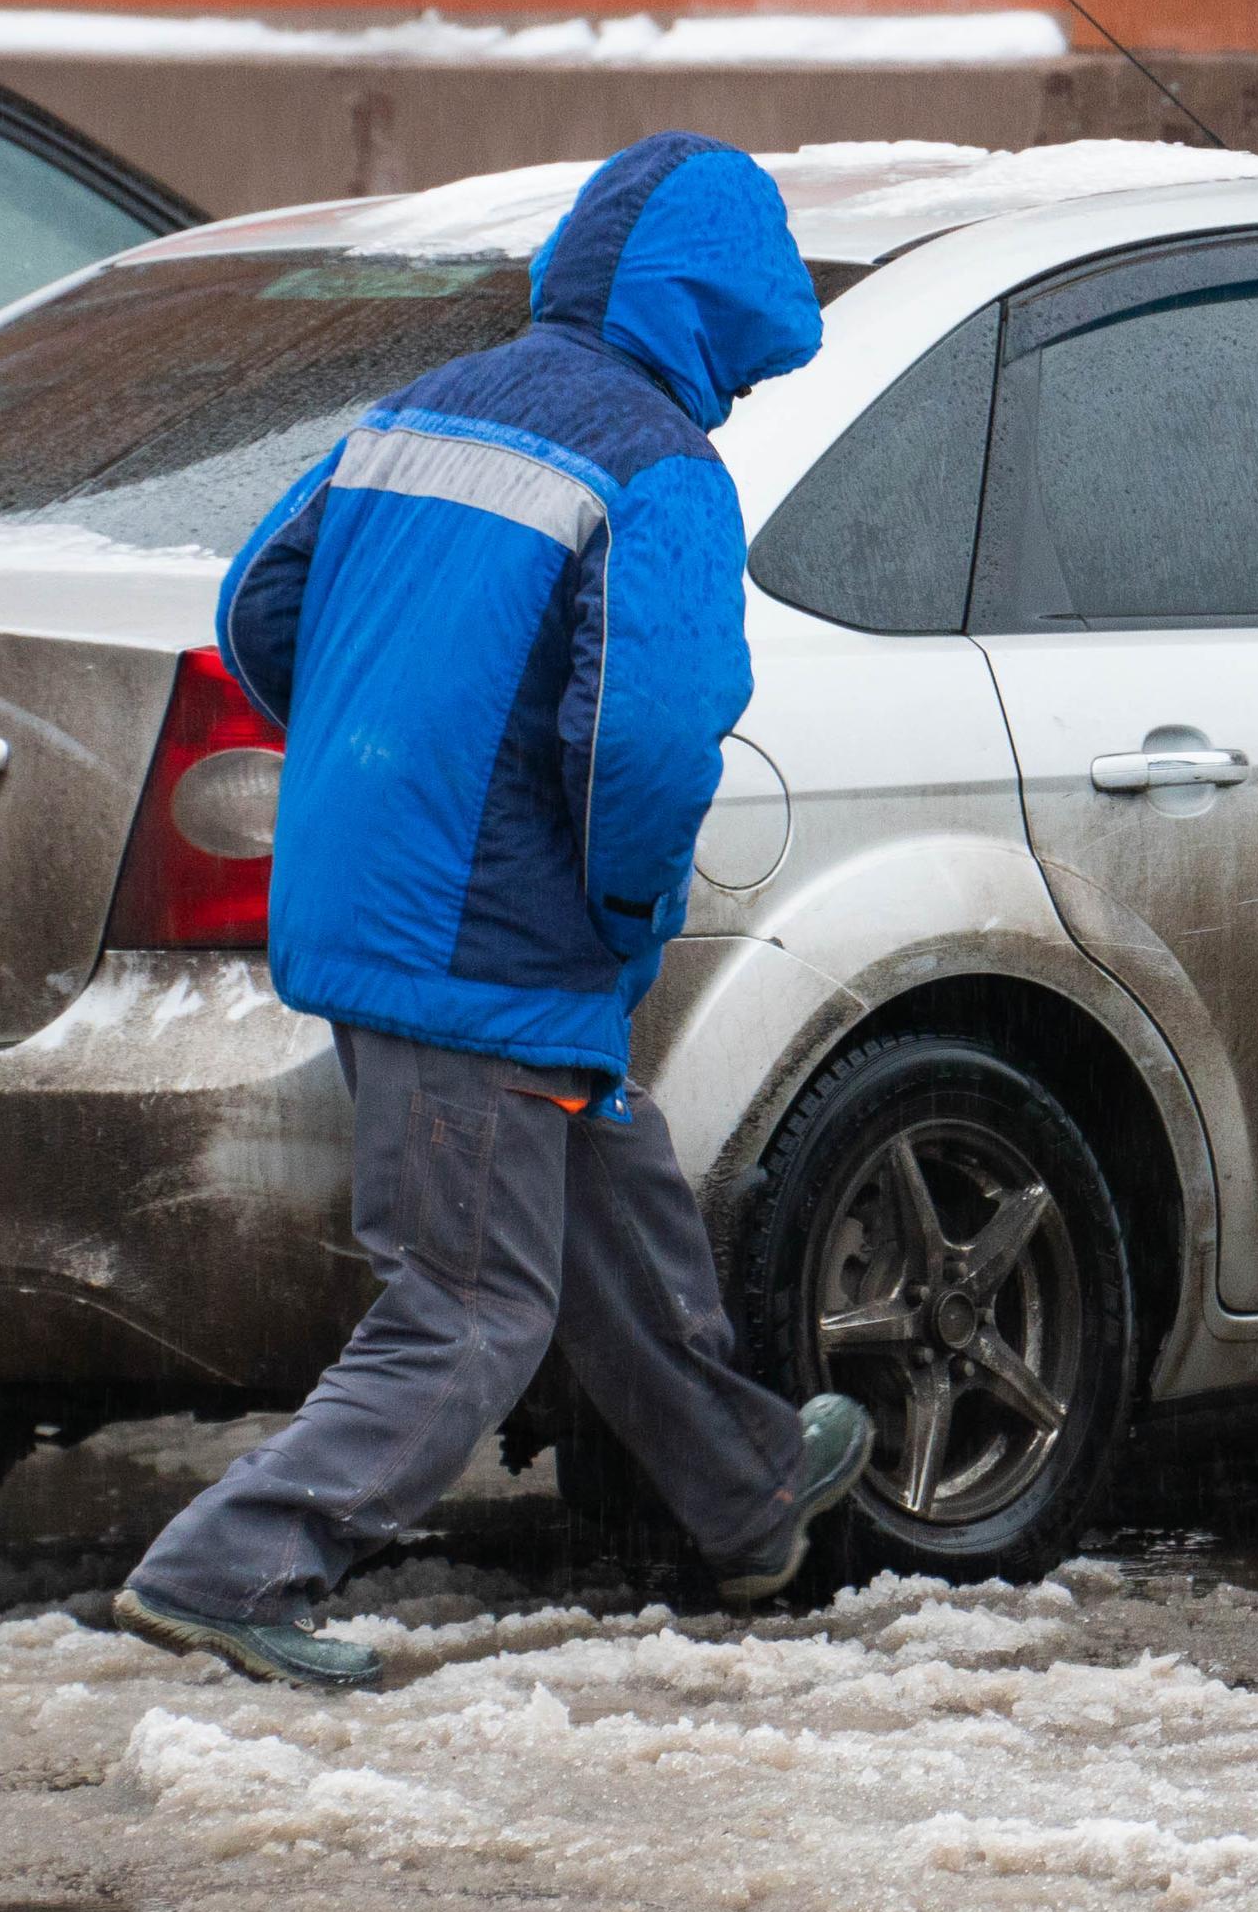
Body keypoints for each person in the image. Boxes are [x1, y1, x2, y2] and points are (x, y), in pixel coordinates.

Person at [112, 134, 875, 1690]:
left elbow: (263, 601)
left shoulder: (421, 409)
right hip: (494, 939)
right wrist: (607, 897)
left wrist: (383, 748)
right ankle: (222, 1570)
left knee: (611, 1211)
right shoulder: (661, 465)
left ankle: (747, 1496)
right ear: (724, 312)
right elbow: (645, 744)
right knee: (470, 1307)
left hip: (382, 909)